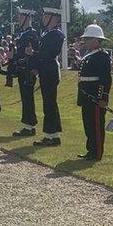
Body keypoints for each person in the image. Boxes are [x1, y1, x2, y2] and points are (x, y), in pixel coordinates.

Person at [76, 24, 112, 161]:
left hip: (95, 95)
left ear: (96, 40)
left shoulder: (102, 56)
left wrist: (102, 96)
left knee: (96, 125)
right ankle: (90, 149)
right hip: (86, 94)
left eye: (88, 38)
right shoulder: (89, 55)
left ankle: (96, 152)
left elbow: (105, 78)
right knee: (88, 124)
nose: (85, 41)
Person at [33, 8, 65, 146]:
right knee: (48, 103)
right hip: (45, 69)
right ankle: (50, 134)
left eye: (46, 16)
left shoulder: (57, 34)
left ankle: (52, 135)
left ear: (54, 18)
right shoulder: (47, 33)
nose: (44, 18)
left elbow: (48, 53)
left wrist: (34, 54)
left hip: (50, 69)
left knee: (50, 103)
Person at [11, 9, 40, 136]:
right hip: (22, 68)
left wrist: (35, 68)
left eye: (21, 17)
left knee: (28, 98)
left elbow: (35, 52)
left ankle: (30, 126)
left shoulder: (32, 34)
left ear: (27, 18)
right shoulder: (22, 33)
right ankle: (27, 124)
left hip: (29, 69)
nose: (19, 19)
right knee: (25, 97)